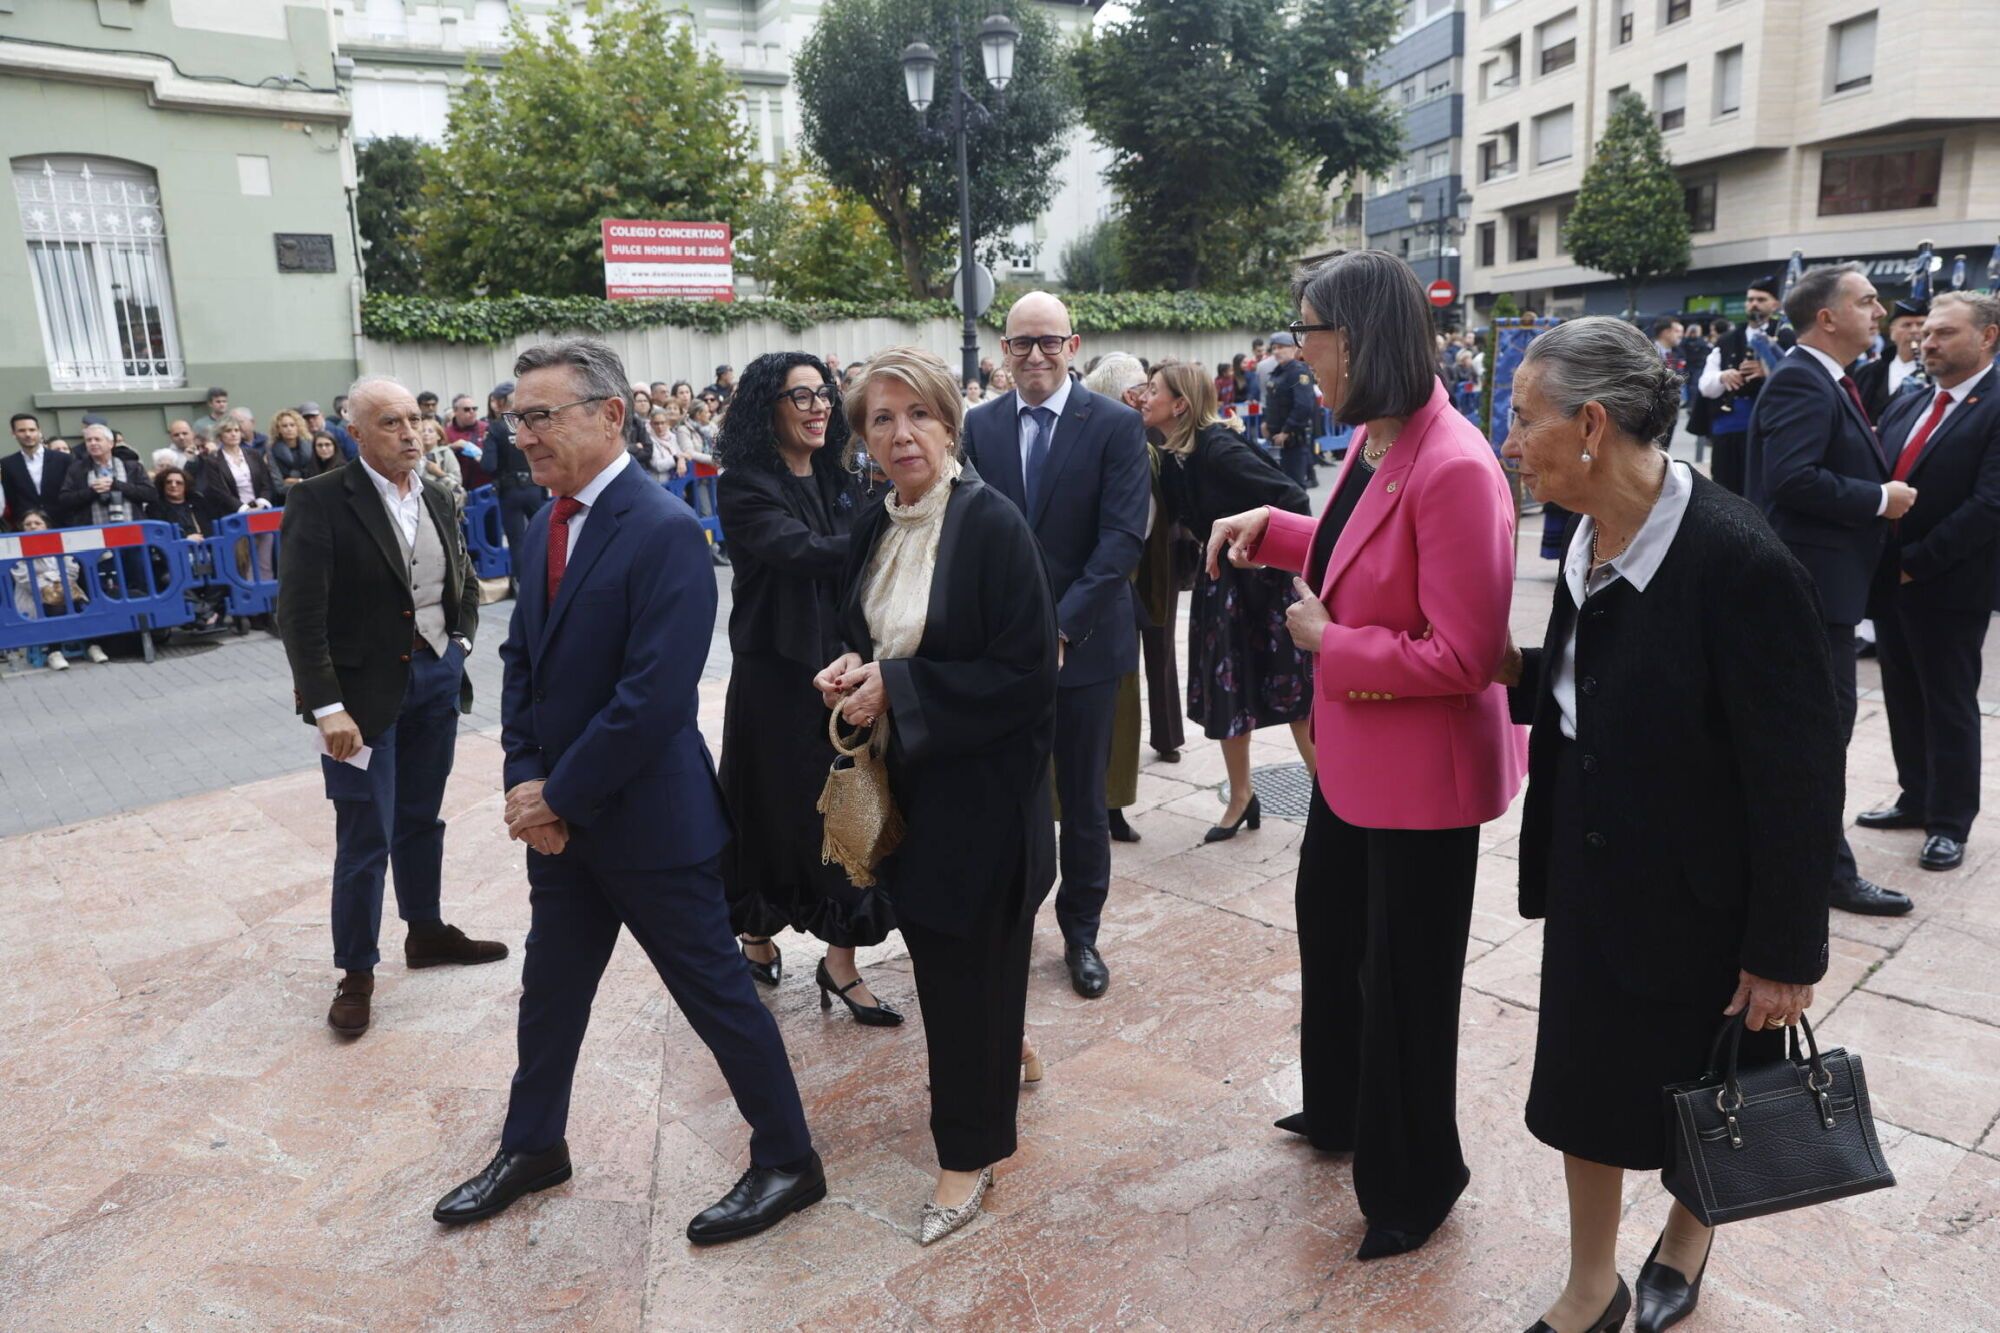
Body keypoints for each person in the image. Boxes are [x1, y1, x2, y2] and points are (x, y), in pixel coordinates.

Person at [433, 338, 822, 1241]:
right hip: (564, 824)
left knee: (717, 995)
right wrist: (525, 778)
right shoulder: (544, 523)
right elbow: (520, 662)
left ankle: (789, 1159)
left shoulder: (665, 529)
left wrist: (556, 796)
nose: (520, 434)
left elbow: (652, 699)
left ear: (609, 414)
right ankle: (534, 1145)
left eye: (538, 415)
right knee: (551, 991)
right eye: (513, 417)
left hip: (650, 825)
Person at [1496, 316, 1840, 1333]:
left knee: (1711, 1082)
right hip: (1592, 867)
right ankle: (1590, 1281)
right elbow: (1579, 683)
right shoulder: (1581, 535)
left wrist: (1785, 949)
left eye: (1522, 419)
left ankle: (1687, 1238)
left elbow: (1797, 770)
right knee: (1581, 1083)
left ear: (1591, 425)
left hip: (1702, 890)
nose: (1509, 442)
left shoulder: (1738, 562)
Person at [1205, 251, 1524, 1262]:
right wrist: (1278, 531)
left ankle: (1415, 1182)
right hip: (1359, 760)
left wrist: (1327, 645)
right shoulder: (1379, 439)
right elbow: (1355, 544)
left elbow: (1467, 653)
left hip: (1422, 775)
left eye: (1310, 333)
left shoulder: (1456, 464)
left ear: (1360, 338)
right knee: (1330, 930)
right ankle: (1338, 1110)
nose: (1300, 356)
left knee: (1405, 984)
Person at [814, 345, 1058, 1244]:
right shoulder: (875, 523)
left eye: (917, 413)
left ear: (950, 420)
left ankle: (967, 1154)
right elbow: (869, 630)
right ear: (863, 439)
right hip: (914, 794)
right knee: (958, 969)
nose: (901, 433)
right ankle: (1008, 1054)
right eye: (881, 419)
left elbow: (1028, 675)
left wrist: (900, 690)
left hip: (985, 803)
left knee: (962, 976)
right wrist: (852, 669)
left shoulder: (990, 525)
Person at [275, 376, 504, 1038]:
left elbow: (460, 574)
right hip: (358, 701)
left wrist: (458, 640)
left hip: (435, 678)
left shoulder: (434, 492)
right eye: (390, 422)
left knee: (420, 816)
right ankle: (356, 971)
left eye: (414, 419)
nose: (410, 432)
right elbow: (299, 613)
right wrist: (326, 706)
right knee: (364, 832)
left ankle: (426, 931)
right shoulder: (320, 501)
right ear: (356, 433)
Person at [963, 292, 1149, 1000]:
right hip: (1004, 652)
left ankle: (1081, 931)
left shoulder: (1113, 426)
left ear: (1074, 346)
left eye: (1048, 342)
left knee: (1083, 798)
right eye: (1020, 344)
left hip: (1088, 647)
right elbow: (967, 536)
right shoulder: (977, 427)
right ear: (1003, 352)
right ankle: (1010, 922)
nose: (1034, 355)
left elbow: (1120, 542)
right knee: (1010, 794)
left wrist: (1061, 629)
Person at [713, 351, 896, 1017]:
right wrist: (891, 529)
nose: (820, 407)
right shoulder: (742, 485)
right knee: (764, 809)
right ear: (770, 409)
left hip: (841, 671)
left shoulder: (840, 479)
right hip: (773, 679)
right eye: (802, 397)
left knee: (846, 811)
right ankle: (756, 937)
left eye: (824, 394)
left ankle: (840, 962)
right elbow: (798, 551)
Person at [1746, 263, 1914, 919]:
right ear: (1828, 317)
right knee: (1819, 738)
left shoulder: (1827, 378)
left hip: (1830, 590)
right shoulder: (1799, 380)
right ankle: (1825, 873)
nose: (1880, 312)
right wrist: (1881, 498)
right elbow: (1792, 480)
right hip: (1811, 591)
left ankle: (1808, 860)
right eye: (1867, 301)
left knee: (1815, 737)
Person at [1860, 291, 2000, 873]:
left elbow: (1990, 504)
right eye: (1926, 333)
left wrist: (1919, 561)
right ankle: (1915, 796)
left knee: (1947, 702)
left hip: (1948, 586)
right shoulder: (1911, 400)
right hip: (1891, 582)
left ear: (1988, 336)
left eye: (1944, 332)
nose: (1927, 342)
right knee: (1901, 693)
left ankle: (1949, 822)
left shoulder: (1994, 405)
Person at [1147, 360, 1316, 838]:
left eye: (1154, 389)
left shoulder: (1218, 447)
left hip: (1260, 585)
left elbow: (1294, 500)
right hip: (1220, 586)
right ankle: (1242, 799)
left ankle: (1329, 803)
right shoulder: (1174, 452)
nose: (1144, 395)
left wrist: (1257, 553)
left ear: (1179, 403)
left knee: (1294, 697)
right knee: (1229, 696)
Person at [1697, 277, 1783, 493]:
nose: (1754, 304)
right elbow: (1705, 386)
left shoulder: (1785, 336)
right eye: (1750, 299)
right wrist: (1722, 377)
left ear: (1775, 305)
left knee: (1761, 491)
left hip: (1769, 427)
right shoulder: (1727, 340)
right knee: (1725, 490)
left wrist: (1768, 371)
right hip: (1728, 428)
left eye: (1761, 299)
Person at [7, 508, 96, 668]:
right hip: (35, 597)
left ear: (46, 526)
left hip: (67, 589)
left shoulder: (59, 542)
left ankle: (92, 645)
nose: (32, 527)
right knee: (55, 603)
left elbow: (72, 567)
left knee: (80, 604)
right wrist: (54, 582)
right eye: (28, 524)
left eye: (37, 523)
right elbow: (25, 579)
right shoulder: (16, 548)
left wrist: (57, 583)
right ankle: (54, 652)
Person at [480, 380, 546, 587]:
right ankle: (549, 577)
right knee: (545, 534)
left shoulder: (496, 428)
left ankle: (524, 584)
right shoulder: (529, 423)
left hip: (510, 491)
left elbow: (488, 465)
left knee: (517, 541)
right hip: (535, 487)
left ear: (499, 403)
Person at [198, 418, 278, 582]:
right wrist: (243, 509)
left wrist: (262, 503)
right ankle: (251, 599)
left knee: (265, 559)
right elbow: (218, 491)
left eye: (236, 430)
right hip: (234, 517)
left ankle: (268, 596)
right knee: (243, 561)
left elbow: (266, 482)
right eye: (228, 431)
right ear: (220, 436)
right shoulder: (213, 461)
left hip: (261, 513)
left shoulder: (254, 454)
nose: (233, 434)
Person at [1854, 298, 1929, 423]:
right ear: (1892, 332)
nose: (1915, 331)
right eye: (1907, 325)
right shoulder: (1867, 372)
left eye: (1921, 324)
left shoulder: (1939, 374)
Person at [1263, 332, 1318, 488]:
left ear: (1293, 348)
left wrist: (1287, 431)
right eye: (1273, 348)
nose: (1276, 352)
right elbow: (1272, 401)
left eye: (1281, 347)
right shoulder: (1277, 372)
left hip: (1291, 438)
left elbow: (1303, 405)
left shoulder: (1298, 372)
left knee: (1295, 487)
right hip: (1276, 437)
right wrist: (1266, 422)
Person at [4, 412, 66, 524]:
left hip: (63, 522)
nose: (28, 434)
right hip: (27, 526)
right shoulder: (7, 464)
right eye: (21, 430)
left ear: (39, 431)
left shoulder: (63, 459)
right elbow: (11, 498)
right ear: (13, 433)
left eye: (32, 430)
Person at [419, 417, 466, 510]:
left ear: (439, 436)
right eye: (422, 431)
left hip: (444, 500)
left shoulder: (445, 453)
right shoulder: (415, 456)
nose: (426, 434)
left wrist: (438, 472)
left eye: (430, 431)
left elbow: (458, 481)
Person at [268, 408, 314, 500]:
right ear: (278, 429)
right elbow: (279, 486)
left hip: (313, 495)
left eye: (292, 425)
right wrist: (304, 483)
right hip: (286, 499)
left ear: (298, 427)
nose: (289, 429)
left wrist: (296, 481)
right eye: (284, 426)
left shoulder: (311, 445)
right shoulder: (272, 450)